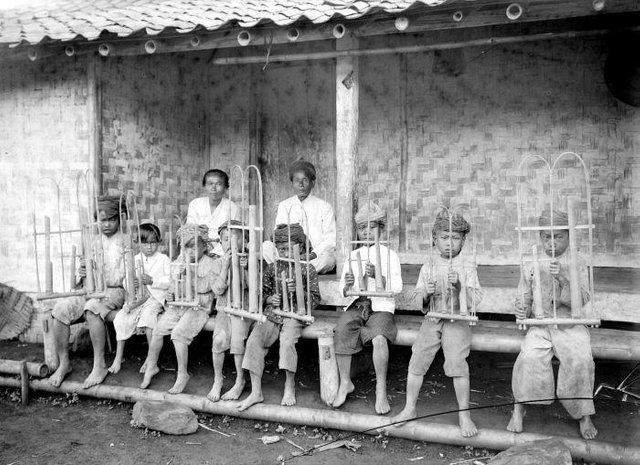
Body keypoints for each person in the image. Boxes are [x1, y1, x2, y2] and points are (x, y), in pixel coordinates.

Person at [507, 210, 597, 440]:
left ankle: (584, 415)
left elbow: (584, 298)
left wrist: (563, 279)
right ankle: (519, 407)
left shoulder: (578, 260)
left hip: (570, 324)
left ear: (568, 236)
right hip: (541, 324)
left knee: (581, 359)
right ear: (540, 238)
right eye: (546, 237)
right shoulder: (531, 260)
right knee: (529, 357)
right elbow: (524, 294)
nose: (552, 242)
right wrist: (521, 307)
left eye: (558, 236)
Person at [392, 209, 483, 437]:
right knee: (417, 359)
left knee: (456, 363)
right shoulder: (428, 265)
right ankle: (410, 408)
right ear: (434, 239)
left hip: (457, 320)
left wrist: (460, 287)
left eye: (455, 238)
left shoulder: (467, 265)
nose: (449, 243)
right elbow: (417, 297)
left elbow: (477, 298)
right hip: (433, 318)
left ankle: (464, 414)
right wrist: (426, 294)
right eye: (444, 237)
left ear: (463, 240)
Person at [237, 224, 321, 411]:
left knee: (287, 341)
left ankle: (289, 385)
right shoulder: (273, 268)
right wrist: (269, 298)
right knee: (254, 340)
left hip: (295, 315)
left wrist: (300, 292)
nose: (283, 251)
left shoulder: (308, 269)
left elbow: (315, 299)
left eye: (288, 248)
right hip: (274, 313)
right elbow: (262, 294)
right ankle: (256, 392)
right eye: (280, 248)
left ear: (300, 246)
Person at [47, 196, 126, 389]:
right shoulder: (94, 241)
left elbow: (125, 276)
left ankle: (99, 365)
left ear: (119, 220)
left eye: (111, 220)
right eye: (102, 220)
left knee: (92, 307)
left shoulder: (126, 240)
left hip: (115, 291)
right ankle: (64, 363)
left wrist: (100, 278)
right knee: (61, 308)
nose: (106, 224)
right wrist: (84, 272)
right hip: (91, 289)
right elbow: (83, 275)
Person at [332, 203, 403, 415]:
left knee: (380, 337)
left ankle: (381, 389)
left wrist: (379, 278)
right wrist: (348, 283)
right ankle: (345, 382)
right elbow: (343, 290)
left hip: (380, 306)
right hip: (358, 304)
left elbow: (397, 287)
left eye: (372, 227)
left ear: (381, 229)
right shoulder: (354, 255)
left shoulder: (390, 255)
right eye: (362, 228)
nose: (366, 232)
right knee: (342, 329)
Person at [140, 224, 223, 394]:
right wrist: (171, 295)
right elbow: (173, 285)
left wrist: (189, 274)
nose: (190, 252)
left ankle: (182, 374)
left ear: (204, 246)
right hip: (179, 305)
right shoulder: (180, 261)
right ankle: (151, 366)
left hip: (199, 308)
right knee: (158, 329)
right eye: (186, 248)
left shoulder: (212, 263)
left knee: (178, 334)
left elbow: (208, 287)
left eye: (194, 247)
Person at [108, 222, 170, 375]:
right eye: (145, 243)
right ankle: (118, 357)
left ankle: (151, 359)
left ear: (158, 242)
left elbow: (170, 282)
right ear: (139, 243)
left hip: (155, 299)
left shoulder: (163, 259)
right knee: (121, 318)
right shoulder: (134, 258)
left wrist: (153, 281)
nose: (149, 247)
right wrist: (131, 283)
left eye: (153, 243)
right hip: (137, 299)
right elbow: (125, 281)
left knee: (148, 320)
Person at [264, 160, 336, 274]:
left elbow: (331, 239)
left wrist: (312, 254)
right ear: (292, 183)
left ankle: (292, 272)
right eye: (297, 181)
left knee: (329, 259)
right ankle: (298, 271)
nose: (301, 185)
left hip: (313, 258)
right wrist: (288, 251)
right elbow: (278, 234)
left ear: (313, 183)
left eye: (305, 180)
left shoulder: (324, 207)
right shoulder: (284, 205)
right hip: (288, 255)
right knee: (266, 247)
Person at [207, 220, 252, 402]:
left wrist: (245, 268)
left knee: (237, 341)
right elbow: (217, 290)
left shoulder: (252, 260)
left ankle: (240, 381)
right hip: (225, 310)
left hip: (244, 310)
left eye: (236, 239)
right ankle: (218, 379)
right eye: (226, 239)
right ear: (221, 241)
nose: (230, 244)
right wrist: (226, 267)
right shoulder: (217, 263)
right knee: (218, 341)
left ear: (245, 241)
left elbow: (254, 288)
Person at [187, 169, 238, 256]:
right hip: (197, 249)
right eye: (210, 183)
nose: (213, 188)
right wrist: (204, 245)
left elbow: (233, 234)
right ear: (204, 186)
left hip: (222, 251)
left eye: (218, 184)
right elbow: (189, 230)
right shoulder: (195, 204)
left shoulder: (231, 206)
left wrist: (216, 251)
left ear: (225, 187)